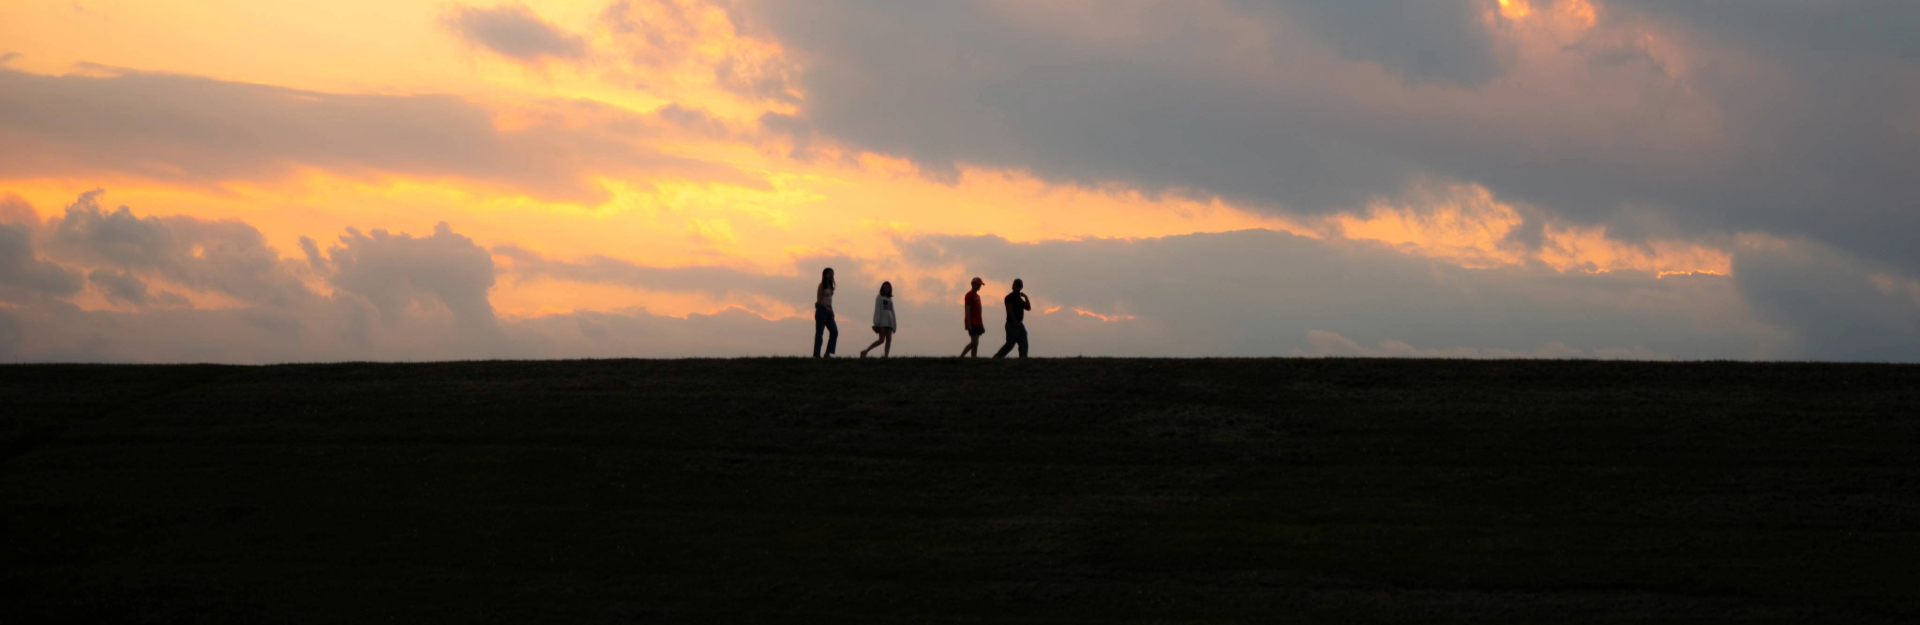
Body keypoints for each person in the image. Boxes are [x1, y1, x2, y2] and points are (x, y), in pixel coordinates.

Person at [993, 278, 1031, 359]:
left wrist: (1026, 297)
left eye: (1019, 285)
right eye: (1016, 285)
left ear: (1021, 287)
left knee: (1024, 344)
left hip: (1020, 324)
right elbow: (1009, 311)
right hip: (1012, 324)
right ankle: (997, 358)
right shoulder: (1009, 297)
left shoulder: (1019, 298)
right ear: (1013, 286)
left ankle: (1023, 360)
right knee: (1010, 344)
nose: (1017, 287)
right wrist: (1015, 322)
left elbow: (1028, 308)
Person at [861, 281, 897, 358]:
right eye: (885, 287)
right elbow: (877, 310)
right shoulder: (879, 297)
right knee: (881, 340)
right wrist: (876, 323)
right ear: (882, 288)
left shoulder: (890, 299)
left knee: (889, 340)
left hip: (890, 322)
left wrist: (894, 325)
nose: (886, 289)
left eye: (888, 288)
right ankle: (865, 351)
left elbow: (892, 311)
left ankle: (886, 356)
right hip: (882, 322)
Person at [813, 267, 838, 358]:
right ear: (825, 275)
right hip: (822, 310)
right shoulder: (821, 285)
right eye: (830, 274)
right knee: (819, 333)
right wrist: (827, 308)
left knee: (834, 331)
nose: (832, 275)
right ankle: (817, 354)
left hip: (829, 310)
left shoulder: (830, 286)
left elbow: (829, 300)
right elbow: (819, 300)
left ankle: (828, 352)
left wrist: (830, 310)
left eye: (832, 274)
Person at [959, 277, 986, 357]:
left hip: (978, 322)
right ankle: (961, 356)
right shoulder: (969, 295)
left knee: (976, 343)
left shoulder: (978, 296)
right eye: (978, 284)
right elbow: (967, 309)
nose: (979, 286)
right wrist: (969, 323)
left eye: (980, 285)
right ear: (973, 284)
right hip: (972, 321)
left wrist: (981, 324)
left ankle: (973, 359)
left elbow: (979, 312)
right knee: (974, 342)